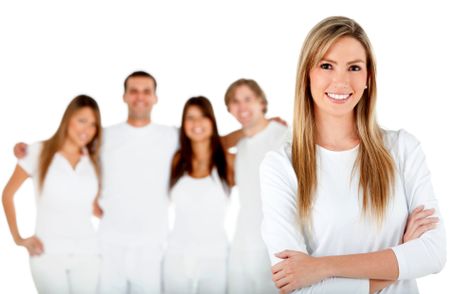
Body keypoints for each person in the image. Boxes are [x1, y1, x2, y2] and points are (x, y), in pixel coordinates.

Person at [260, 16, 446, 294]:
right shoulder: (281, 166)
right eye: (326, 66)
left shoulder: (403, 149)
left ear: (368, 77)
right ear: (307, 74)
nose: (341, 80)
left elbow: (434, 253)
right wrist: (402, 257)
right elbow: (297, 286)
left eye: (354, 67)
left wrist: (321, 267)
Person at [2, 95, 102, 293]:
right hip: (47, 254)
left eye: (93, 124)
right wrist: (18, 238)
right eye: (82, 120)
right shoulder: (38, 151)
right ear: (68, 119)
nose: (87, 130)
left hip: (88, 254)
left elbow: (89, 206)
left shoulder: (92, 161)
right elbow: (7, 194)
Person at [163, 96, 234, 294]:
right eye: (190, 117)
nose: (196, 123)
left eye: (203, 116)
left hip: (215, 257)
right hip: (177, 254)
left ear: (212, 121)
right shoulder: (177, 160)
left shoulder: (228, 162)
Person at [224, 79, 287, 293]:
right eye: (235, 101)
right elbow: (206, 144)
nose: (242, 107)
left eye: (248, 99)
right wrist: (245, 132)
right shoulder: (240, 146)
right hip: (242, 243)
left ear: (261, 102)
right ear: (229, 109)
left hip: (276, 246)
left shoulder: (285, 136)